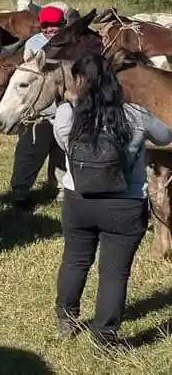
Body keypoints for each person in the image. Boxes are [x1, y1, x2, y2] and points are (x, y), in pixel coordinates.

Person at [53, 53, 172, 347]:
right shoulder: (135, 115)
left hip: (78, 199)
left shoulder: (67, 113)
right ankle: (105, 337)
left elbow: (62, 143)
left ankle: (66, 318)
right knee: (114, 272)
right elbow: (165, 135)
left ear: (80, 81)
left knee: (75, 260)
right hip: (125, 205)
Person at [11, 5, 69, 211]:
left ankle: (63, 191)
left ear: (63, 25)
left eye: (55, 25)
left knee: (63, 153)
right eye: (46, 26)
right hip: (39, 113)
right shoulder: (33, 44)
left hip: (65, 110)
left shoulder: (72, 44)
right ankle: (19, 193)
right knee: (29, 153)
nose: (50, 29)